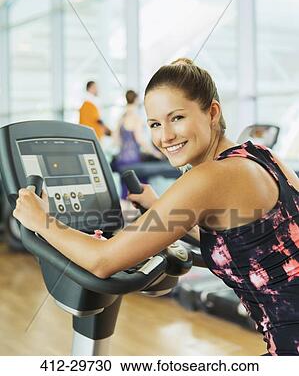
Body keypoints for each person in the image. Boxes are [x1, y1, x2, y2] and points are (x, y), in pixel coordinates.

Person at [13, 59, 299, 356]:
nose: (165, 136)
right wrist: (162, 207)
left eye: (177, 118)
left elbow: (103, 260)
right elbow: (249, 243)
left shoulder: (209, 176)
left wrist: (42, 221)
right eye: (154, 124)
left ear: (212, 112)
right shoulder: (261, 155)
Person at [112, 89, 162, 198]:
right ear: (136, 100)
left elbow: (116, 139)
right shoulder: (135, 118)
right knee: (138, 194)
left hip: (121, 160)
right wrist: (155, 153)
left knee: (125, 194)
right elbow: (140, 140)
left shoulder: (121, 118)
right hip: (133, 160)